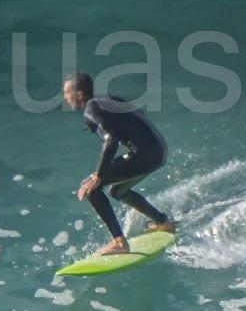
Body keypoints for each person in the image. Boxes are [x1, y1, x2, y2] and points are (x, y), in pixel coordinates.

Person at [64, 71, 176, 255]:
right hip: (159, 149)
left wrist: (98, 176)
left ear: (79, 94)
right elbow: (139, 113)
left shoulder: (91, 110)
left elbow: (110, 140)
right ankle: (163, 222)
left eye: (67, 93)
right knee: (117, 191)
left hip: (145, 154)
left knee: (90, 187)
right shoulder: (110, 99)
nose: (65, 98)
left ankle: (119, 243)